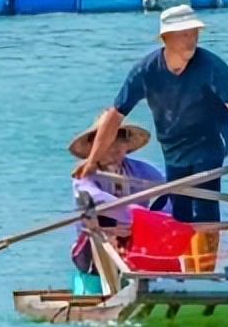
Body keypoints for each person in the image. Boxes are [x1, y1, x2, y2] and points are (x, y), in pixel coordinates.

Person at [72, 5, 228, 226]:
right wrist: (92, 160)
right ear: (166, 38)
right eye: (184, 34)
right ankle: (183, 245)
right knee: (180, 214)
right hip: (172, 149)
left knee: (205, 209)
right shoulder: (145, 71)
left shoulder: (212, 66)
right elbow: (115, 115)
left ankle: (206, 246)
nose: (191, 40)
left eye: (194, 33)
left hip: (209, 144)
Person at [68, 115, 165, 279]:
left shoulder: (141, 170)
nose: (114, 147)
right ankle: (112, 284)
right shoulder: (84, 176)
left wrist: (159, 220)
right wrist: (137, 218)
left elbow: (169, 191)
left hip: (137, 237)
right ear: (94, 145)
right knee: (103, 226)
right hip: (94, 244)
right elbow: (97, 199)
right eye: (107, 140)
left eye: (120, 139)